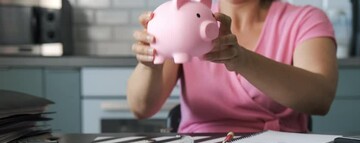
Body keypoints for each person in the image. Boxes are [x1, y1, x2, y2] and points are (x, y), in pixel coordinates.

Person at [127, 0, 338, 133]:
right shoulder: (184, 19)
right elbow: (141, 108)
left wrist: (241, 60)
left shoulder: (305, 19)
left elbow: (320, 100)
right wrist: (150, 63)